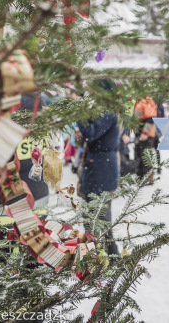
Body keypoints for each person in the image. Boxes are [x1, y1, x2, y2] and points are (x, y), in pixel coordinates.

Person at [76, 80, 120, 256]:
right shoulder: (103, 111)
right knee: (90, 215)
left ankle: (109, 255)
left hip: (101, 168)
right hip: (96, 166)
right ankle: (104, 254)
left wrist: (78, 114)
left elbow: (90, 133)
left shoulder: (108, 112)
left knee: (100, 217)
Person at [133, 97, 158, 178]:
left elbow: (150, 118)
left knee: (146, 155)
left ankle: (148, 176)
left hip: (146, 134)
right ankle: (140, 175)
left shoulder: (147, 100)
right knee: (139, 154)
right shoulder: (139, 100)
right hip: (139, 132)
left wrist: (145, 133)